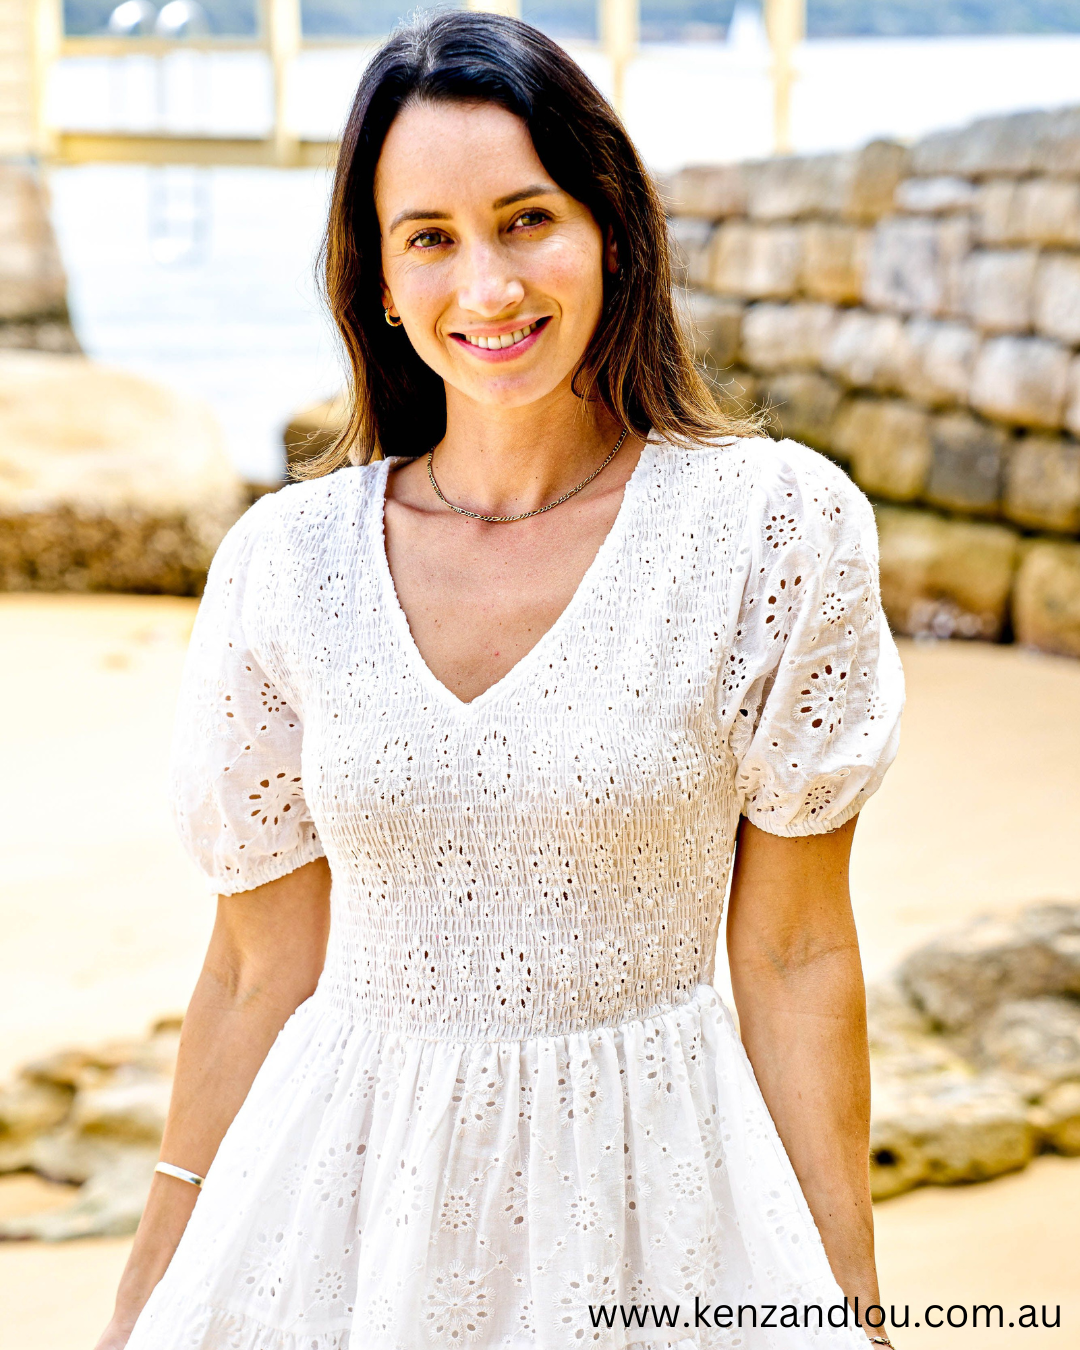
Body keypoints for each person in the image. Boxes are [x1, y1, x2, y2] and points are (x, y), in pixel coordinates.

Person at [97, 12, 904, 1349]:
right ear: (381, 278)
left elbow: (798, 952)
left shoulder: (773, 528)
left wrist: (854, 1305)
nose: (487, 285)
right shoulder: (286, 563)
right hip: (343, 1223)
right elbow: (255, 967)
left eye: (527, 218)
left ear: (608, 228)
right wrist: (149, 1284)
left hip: (663, 1213)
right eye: (431, 237)